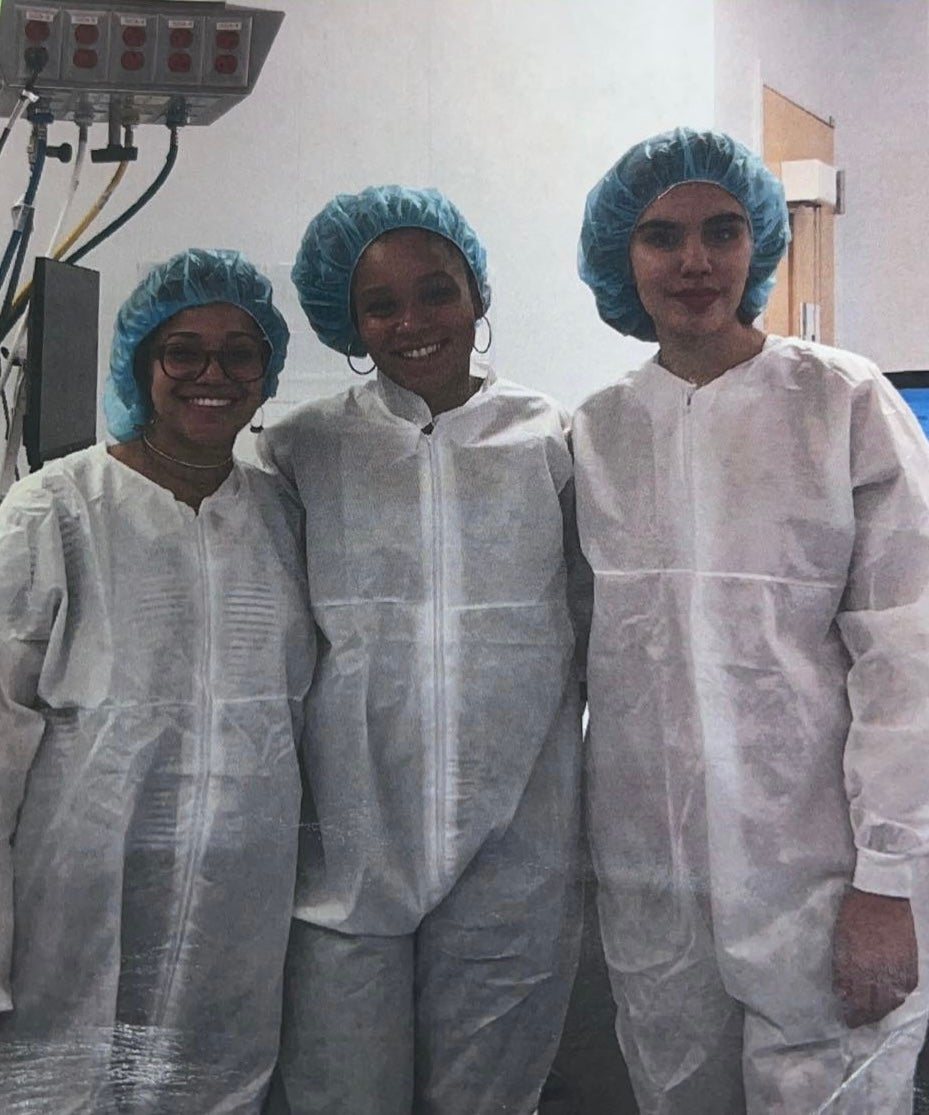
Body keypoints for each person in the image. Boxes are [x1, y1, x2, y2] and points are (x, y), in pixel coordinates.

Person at [572, 125, 929, 1114]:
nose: (693, 260)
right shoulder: (596, 431)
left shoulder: (839, 401)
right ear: (620, 255)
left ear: (756, 244)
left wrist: (888, 878)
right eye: (661, 236)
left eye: (721, 230)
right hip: (654, 889)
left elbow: (908, 653)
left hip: (822, 882)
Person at [260, 185, 585, 1115]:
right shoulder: (303, 449)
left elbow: (599, 626)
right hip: (349, 856)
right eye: (380, 305)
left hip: (516, 853)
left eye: (436, 291)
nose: (412, 322)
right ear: (349, 324)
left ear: (476, 293)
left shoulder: (550, 439)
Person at [0, 248, 315, 1113]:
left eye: (239, 353)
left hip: (237, 910)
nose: (213, 374)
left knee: (214, 1090)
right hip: (78, 901)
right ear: (142, 363)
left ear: (266, 373)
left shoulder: (283, 518)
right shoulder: (56, 510)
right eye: (184, 351)